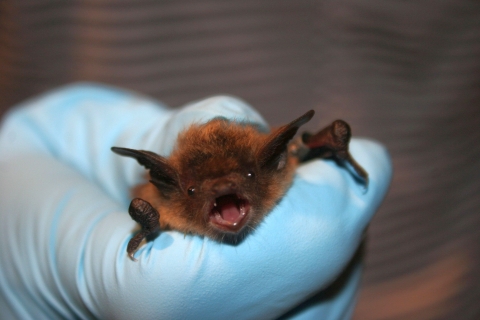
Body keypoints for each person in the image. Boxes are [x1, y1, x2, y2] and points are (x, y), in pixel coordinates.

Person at [0, 83, 391, 319]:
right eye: (195, 190)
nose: (222, 189)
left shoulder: (283, 161)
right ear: (170, 186)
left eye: (247, 177)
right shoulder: (159, 202)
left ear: (270, 162)